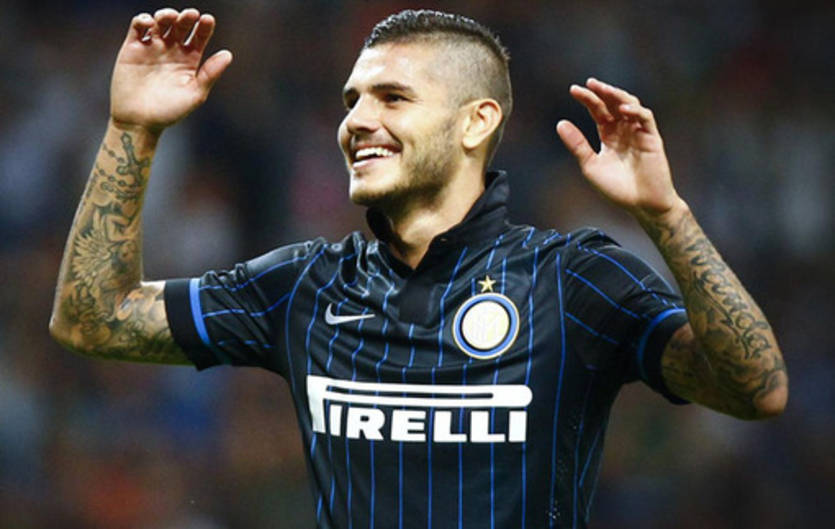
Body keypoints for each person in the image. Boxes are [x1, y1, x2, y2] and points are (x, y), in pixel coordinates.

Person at [49, 8, 787, 529]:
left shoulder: (573, 281)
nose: (356, 121)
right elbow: (93, 319)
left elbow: (754, 389)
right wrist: (132, 129)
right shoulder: (306, 285)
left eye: (392, 97)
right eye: (351, 101)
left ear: (476, 121)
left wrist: (666, 216)